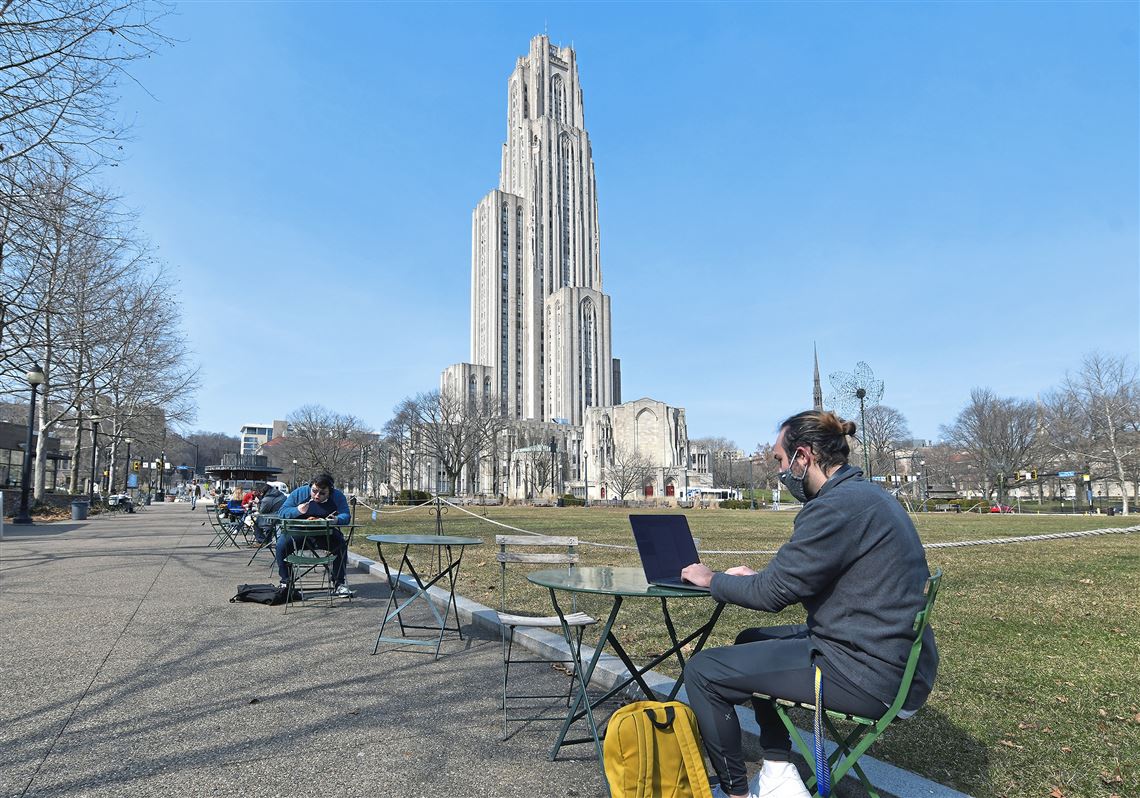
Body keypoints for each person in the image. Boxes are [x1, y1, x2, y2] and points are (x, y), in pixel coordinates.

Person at [680, 410, 939, 798]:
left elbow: (772, 596)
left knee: (702, 670)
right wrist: (755, 579)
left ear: (803, 457)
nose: (780, 473)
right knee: (751, 638)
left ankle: (736, 793)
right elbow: (802, 580)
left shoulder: (835, 507)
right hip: (892, 659)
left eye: (781, 462)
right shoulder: (864, 496)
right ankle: (777, 772)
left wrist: (711, 579)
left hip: (866, 673)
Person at [276, 473, 354, 597]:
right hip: (299, 532)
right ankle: (286, 582)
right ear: (310, 487)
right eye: (314, 491)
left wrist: (337, 520)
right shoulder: (299, 493)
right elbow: (281, 512)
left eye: (322, 493)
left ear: (330, 492)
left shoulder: (338, 496)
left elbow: (346, 515)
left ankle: (339, 583)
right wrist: (297, 510)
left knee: (341, 544)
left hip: (325, 534)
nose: (317, 495)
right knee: (281, 544)